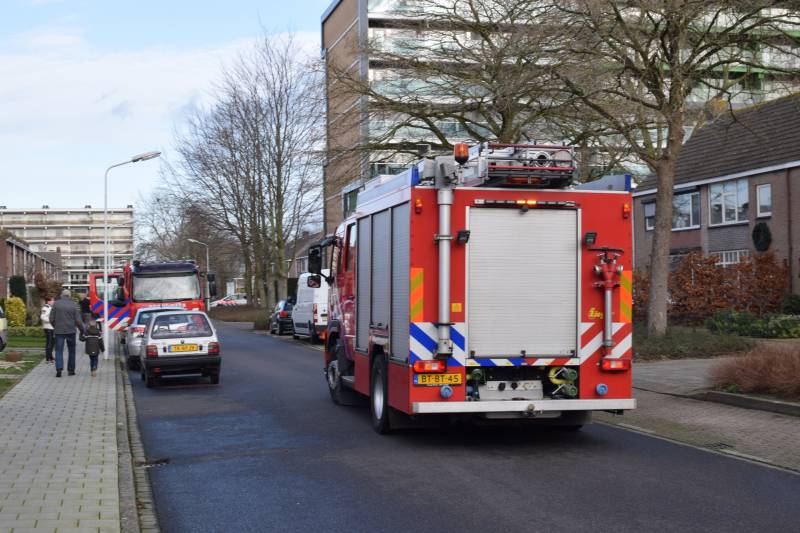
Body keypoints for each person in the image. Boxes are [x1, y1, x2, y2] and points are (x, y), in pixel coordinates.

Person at [49, 290, 86, 377]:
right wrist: (82, 331)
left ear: (61, 295)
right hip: (71, 331)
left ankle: (59, 369)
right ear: (69, 296)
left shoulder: (56, 304)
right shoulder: (73, 304)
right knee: (72, 351)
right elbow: (78, 320)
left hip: (59, 331)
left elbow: (51, 319)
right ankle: (71, 371)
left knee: (58, 350)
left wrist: (55, 326)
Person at [40, 297, 55, 364]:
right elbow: (43, 317)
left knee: (52, 343)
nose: (53, 301)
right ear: (48, 301)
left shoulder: (51, 307)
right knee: (49, 343)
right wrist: (51, 321)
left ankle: (50, 356)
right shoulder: (45, 308)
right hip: (48, 327)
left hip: (52, 328)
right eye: (52, 300)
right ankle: (48, 358)